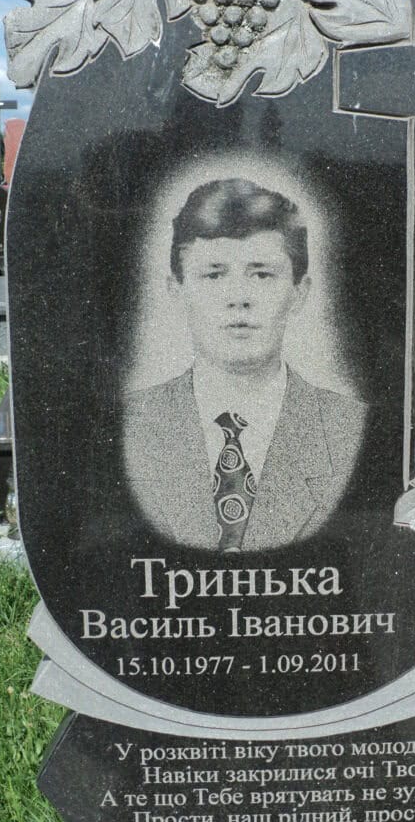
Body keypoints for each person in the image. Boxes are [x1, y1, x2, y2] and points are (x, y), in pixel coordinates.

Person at [123, 178, 367, 551]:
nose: (238, 298)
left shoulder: (352, 429)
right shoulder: (126, 426)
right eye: (214, 274)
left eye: (262, 274)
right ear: (177, 290)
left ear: (299, 293)